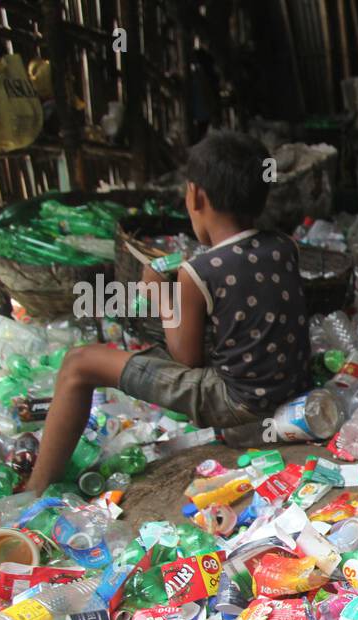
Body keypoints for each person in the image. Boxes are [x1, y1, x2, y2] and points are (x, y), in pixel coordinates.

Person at [26, 131, 310, 493]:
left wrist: (159, 291)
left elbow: (185, 357)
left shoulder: (199, 271)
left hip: (237, 402)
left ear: (196, 195)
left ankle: (34, 486)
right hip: (290, 384)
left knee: (79, 362)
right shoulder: (285, 246)